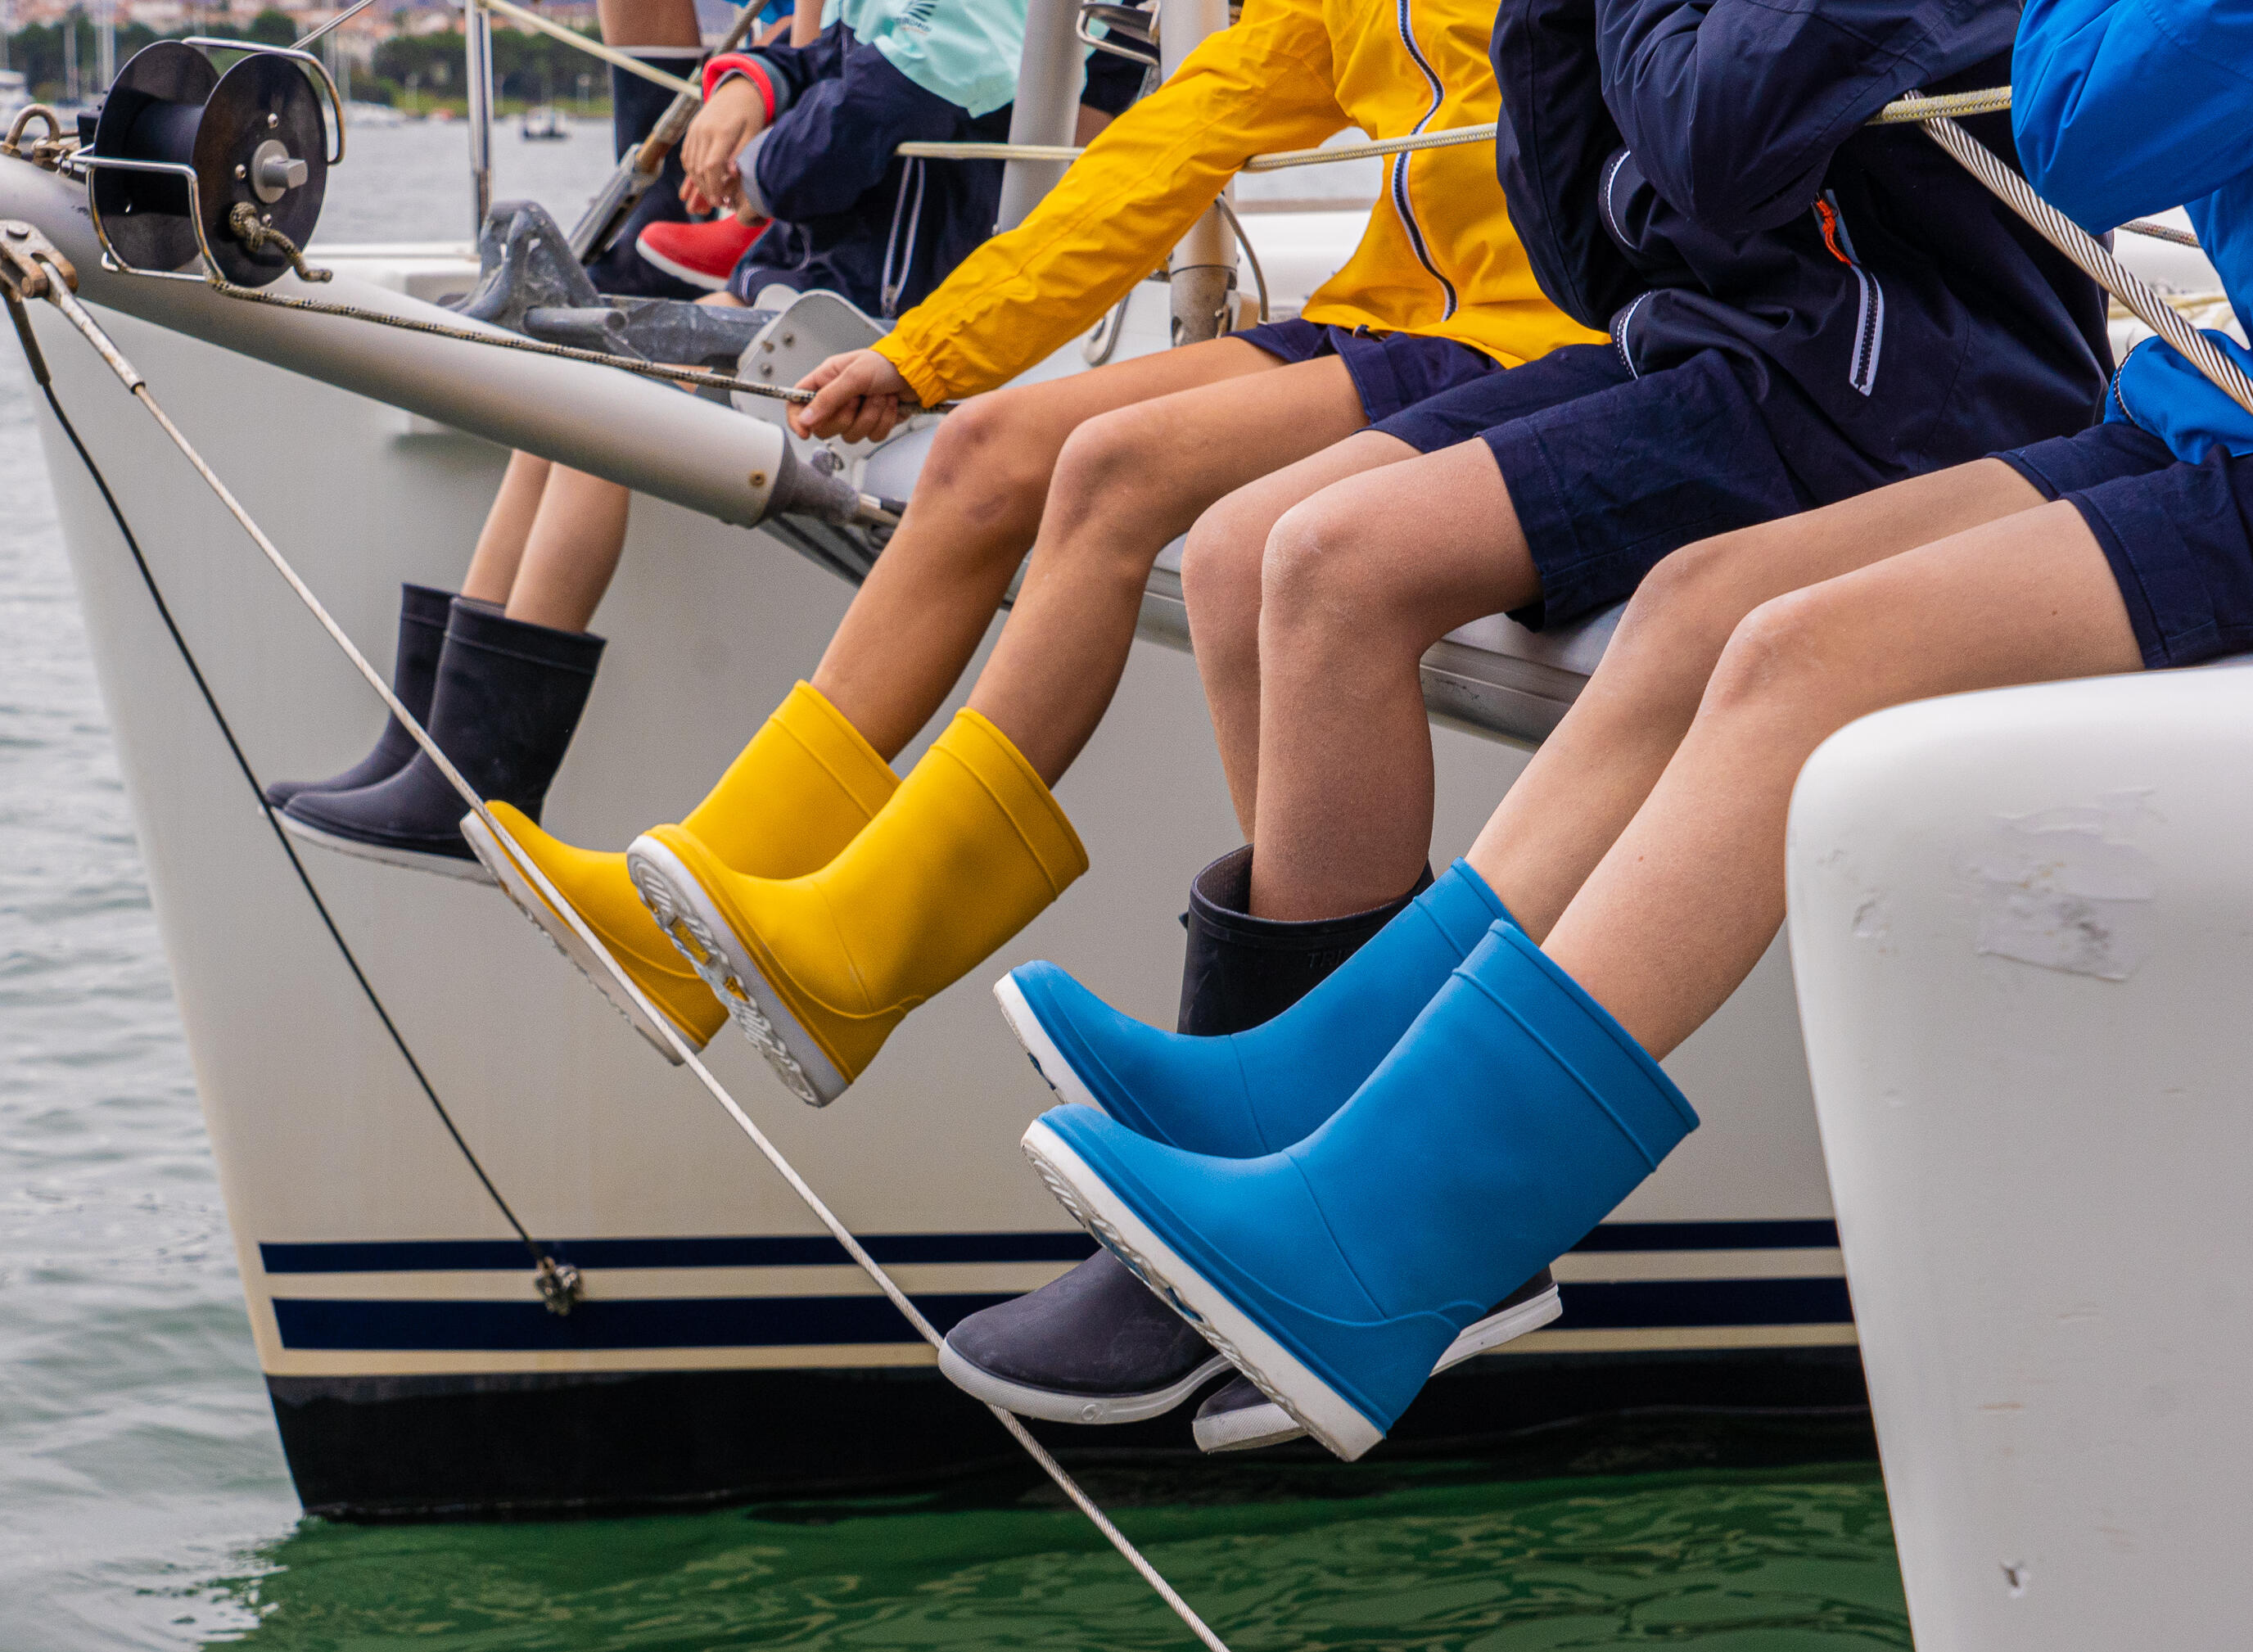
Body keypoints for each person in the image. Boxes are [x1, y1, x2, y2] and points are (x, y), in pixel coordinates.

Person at [964, 0, 2251, 1461]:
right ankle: (1329, 1076)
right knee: (1706, 607)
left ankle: (1394, 1238)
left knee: (1796, 655)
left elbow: (2092, 130)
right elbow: (1592, 233)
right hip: (2203, 402)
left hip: (1977, 388)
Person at [481, 0, 1610, 1090]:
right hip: (1399, 316)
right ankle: (694, 923)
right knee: (987, 447)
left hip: (1532, 336)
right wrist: (927, 353)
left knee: (1112, 471)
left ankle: (871, 941)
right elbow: (1152, 160)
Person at [265, 0, 1139, 878]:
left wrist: (753, 162)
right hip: (813, 284)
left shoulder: (967, 17)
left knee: (604, 396)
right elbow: (829, 66)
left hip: (886, 320)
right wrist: (750, 84)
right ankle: (433, 742)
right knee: (555, 385)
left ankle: (484, 785)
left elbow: (851, 134)